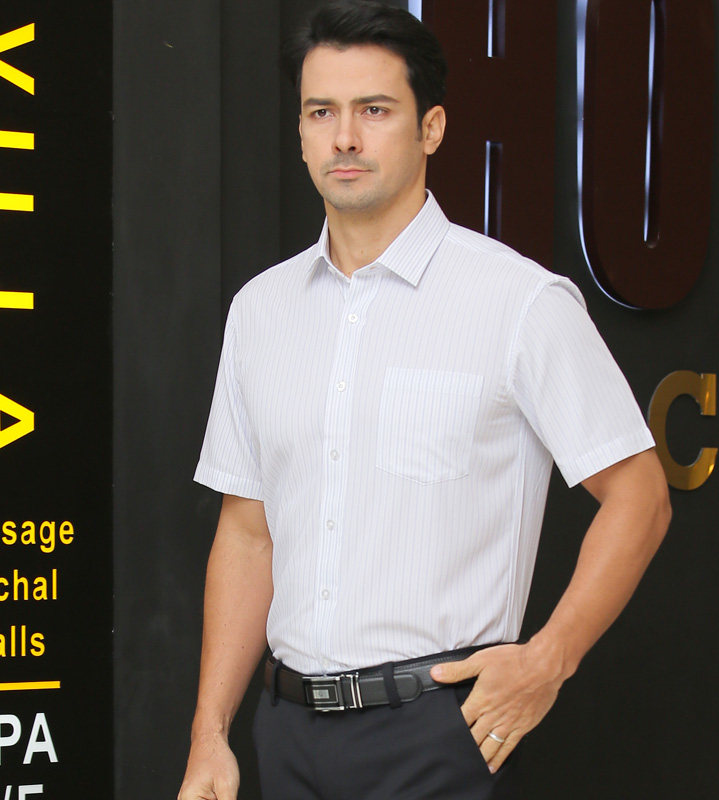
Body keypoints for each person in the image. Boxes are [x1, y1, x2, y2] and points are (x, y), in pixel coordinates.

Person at [178, 2, 671, 798]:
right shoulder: (260, 312)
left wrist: (549, 660)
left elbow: (640, 494)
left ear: (431, 128)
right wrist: (211, 733)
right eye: (321, 112)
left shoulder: (518, 301)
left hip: (439, 730)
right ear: (300, 132)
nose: (345, 137)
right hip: (285, 731)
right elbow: (246, 533)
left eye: (374, 110)